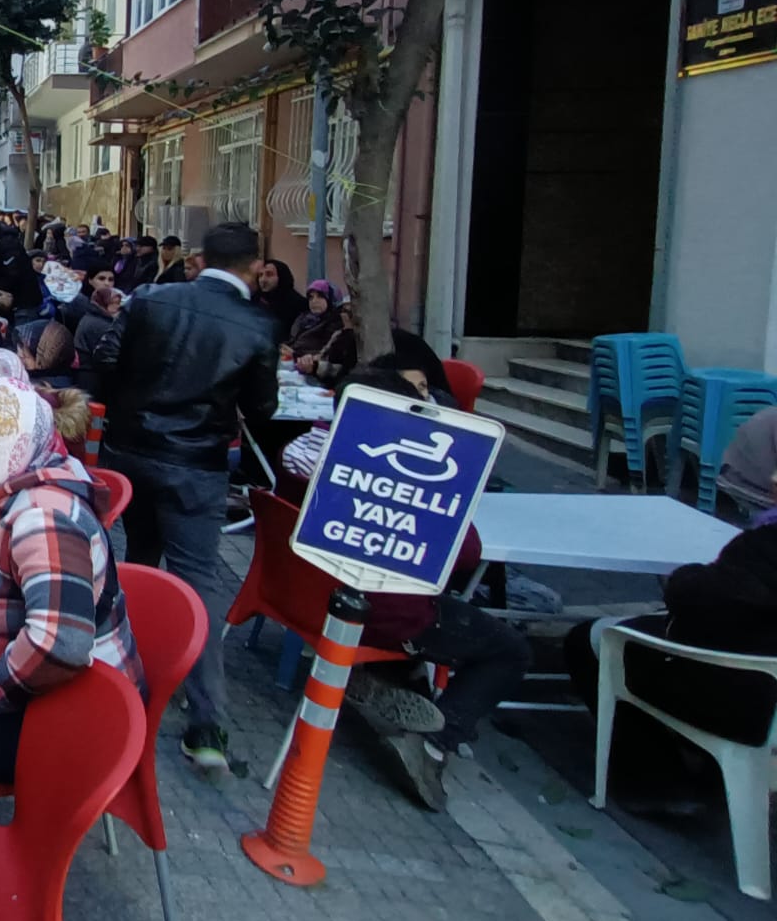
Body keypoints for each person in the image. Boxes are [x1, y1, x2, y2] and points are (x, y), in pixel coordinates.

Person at [278, 368, 531, 811]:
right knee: (511, 649)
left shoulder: (299, 453)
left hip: (304, 596)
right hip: (383, 616)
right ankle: (435, 743)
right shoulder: (406, 480)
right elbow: (467, 554)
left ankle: (380, 682)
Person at [99, 221, 279, 771]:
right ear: (254, 266)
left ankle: (120, 676)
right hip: (194, 465)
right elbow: (264, 408)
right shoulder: (257, 324)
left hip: (130, 450)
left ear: (200, 258)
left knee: (135, 562)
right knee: (197, 582)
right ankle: (206, 726)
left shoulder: (152, 298)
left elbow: (106, 360)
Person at [0, 378, 143, 795]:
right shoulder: (10, 480)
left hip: (49, 714)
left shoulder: (43, 515)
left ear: (17, 438)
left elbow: (59, 646)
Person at [564, 505, 777, 815]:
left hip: (745, 704)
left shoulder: (766, 548)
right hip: (756, 693)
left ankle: (655, 782)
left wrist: (684, 577)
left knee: (590, 640)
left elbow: (709, 598)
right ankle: (714, 776)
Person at [286, 279, 343, 369]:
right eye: (311, 297)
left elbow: (328, 351)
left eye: (320, 296)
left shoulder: (335, 321)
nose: (314, 301)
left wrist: (296, 354)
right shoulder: (303, 318)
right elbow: (292, 340)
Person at [255, 259, 302, 345]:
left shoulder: (298, 303)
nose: (263, 280)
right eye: (260, 275)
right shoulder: (254, 300)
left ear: (281, 276)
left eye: (269, 274)